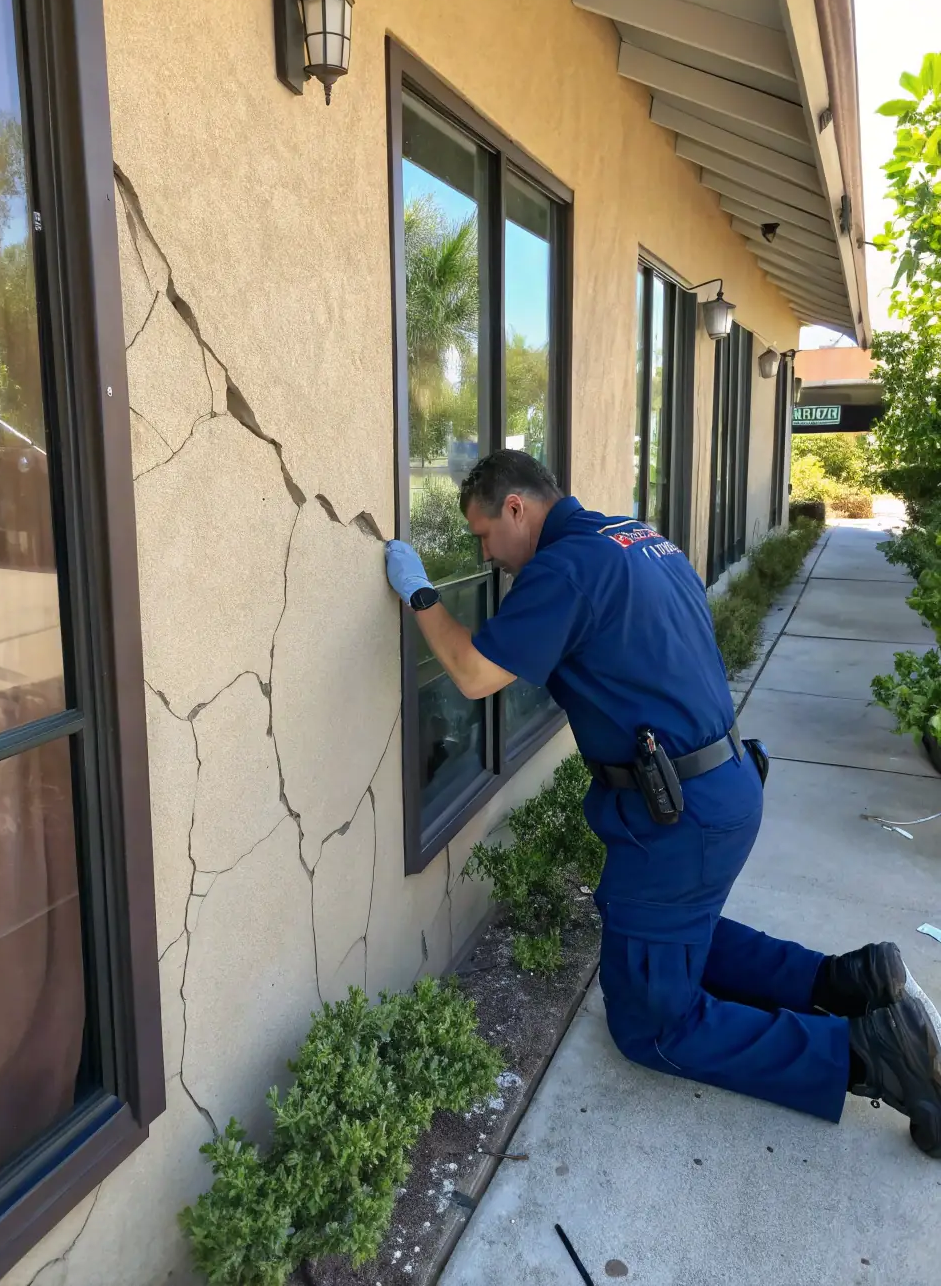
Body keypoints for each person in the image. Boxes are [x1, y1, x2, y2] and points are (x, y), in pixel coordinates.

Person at [384, 450, 941, 1155]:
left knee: (653, 1027)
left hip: (676, 821)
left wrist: (418, 591)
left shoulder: (564, 569)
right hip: (726, 784)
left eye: (483, 534)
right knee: (688, 934)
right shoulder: (637, 536)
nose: (485, 555)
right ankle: (848, 980)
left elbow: (470, 672)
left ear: (517, 509)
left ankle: (865, 1052)